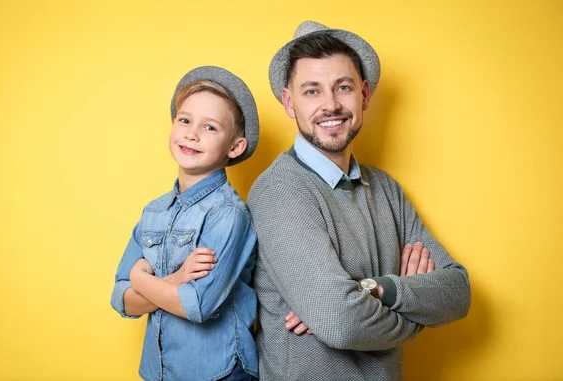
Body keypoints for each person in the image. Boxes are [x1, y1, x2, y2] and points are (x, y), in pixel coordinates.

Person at [247, 21, 471, 380]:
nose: (331, 105)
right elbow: (340, 322)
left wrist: (374, 288)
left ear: (364, 94)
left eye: (344, 87)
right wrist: (417, 314)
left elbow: (458, 292)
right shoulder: (280, 191)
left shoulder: (386, 189)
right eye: (312, 91)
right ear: (289, 102)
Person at [111, 66, 260, 381]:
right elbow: (121, 300)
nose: (192, 133)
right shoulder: (154, 212)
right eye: (185, 120)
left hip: (217, 372)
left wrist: (140, 278)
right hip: (160, 370)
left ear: (235, 146)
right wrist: (176, 278)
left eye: (210, 127)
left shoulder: (228, 214)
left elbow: (197, 305)